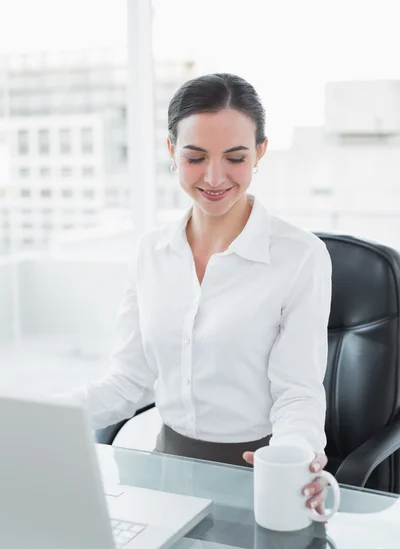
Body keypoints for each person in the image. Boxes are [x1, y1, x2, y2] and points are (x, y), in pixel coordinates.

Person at [66, 73, 332, 514]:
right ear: (171, 151)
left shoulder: (301, 257)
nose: (214, 177)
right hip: (162, 472)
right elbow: (129, 380)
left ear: (260, 152)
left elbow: (298, 392)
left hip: (257, 472)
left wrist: (294, 455)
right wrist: (33, 417)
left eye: (235, 157)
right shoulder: (151, 252)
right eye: (195, 157)